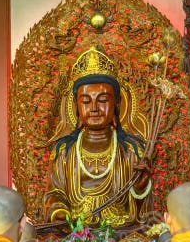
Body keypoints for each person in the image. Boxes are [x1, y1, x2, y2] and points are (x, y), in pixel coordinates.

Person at [44, 47, 151, 227]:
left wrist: (139, 190)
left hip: (121, 234)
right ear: (77, 107)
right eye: (86, 101)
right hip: (75, 236)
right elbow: (54, 193)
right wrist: (60, 212)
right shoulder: (63, 152)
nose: (94, 108)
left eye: (102, 100)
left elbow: (144, 213)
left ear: (116, 104)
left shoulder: (132, 151)